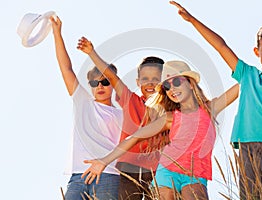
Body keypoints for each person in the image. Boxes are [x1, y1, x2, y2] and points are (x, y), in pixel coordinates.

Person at [169, 1, 262, 199]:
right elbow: (221, 46)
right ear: (257, 51)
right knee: (249, 196)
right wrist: (192, 20)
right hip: (247, 147)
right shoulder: (247, 75)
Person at [80, 60, 239, 200]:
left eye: (176, 82)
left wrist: (258, 70)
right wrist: (104, 160)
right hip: (167, 170)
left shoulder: (209, 109)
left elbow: (243, 83)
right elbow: (134, 137)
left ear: (190, 83)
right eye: (167, 86)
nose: (172, 89)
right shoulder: (170, 118)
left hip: (196, 175)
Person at [77, 37, 165, 199]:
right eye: (145, 79)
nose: (150, 83)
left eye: (156, 79)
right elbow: (111, 77)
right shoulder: (131, 100)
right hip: (129, 168)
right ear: (138, 82)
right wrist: (92, 53)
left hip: (157, 171)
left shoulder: (169, 112)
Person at [50, 16, 123, 200]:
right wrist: (57, 33)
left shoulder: (122, 114)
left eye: (105, 82)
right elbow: (66, 68)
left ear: (113, 84)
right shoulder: (83, 101)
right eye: (94, 82)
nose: (100, 86)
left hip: (108, 175)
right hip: (78, 176)